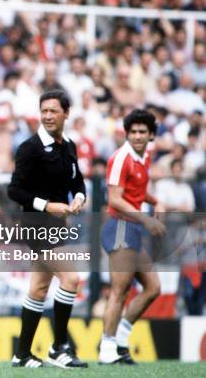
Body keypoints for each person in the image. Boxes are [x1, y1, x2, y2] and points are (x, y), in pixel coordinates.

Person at [7, 90, 87, 368]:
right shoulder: (30, 147)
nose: (48, 116)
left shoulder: (70, 146)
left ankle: (21, 354)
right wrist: (47, 205)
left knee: (39, 288)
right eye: (44, 111)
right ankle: (59, 348)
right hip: (36, 224)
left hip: (58, 225)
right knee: (71, 279)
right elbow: (14, 190)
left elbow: (78, 183)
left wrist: (78, 198)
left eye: (54, 110)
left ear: (67, 113)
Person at [98, 109, 165, 365]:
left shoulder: (145, 155)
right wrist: (147, 218)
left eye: (142, 132)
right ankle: (106, 348)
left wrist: (156, 200)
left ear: (150, 135)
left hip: (133, 226)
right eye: (133, 131)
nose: (137, 135)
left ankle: (121, 342)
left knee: (153, 288)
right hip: (119, 226)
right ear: (127, 134)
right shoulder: (120, 157)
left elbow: (136, 191)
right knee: (120, 289)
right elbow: (115, 198)